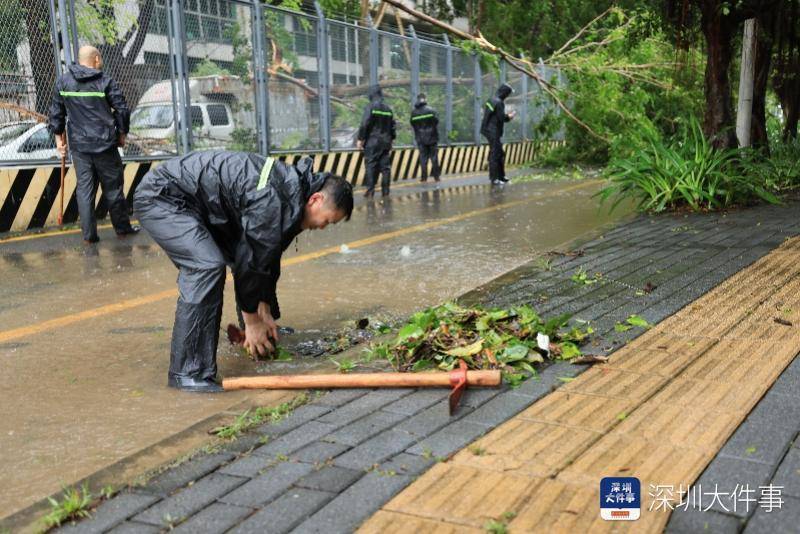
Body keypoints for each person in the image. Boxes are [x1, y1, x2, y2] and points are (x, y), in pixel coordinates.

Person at [133, 151, 353, 392]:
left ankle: (256, 333)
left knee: (247, 256)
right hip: (163, 198)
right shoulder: (273, 199)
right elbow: (251, 260)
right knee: (206, 265)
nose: (323, 227)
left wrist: (265, 309)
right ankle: (187, 372)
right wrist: (252, 319)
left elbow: (267, 254)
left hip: (202, 206)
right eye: (328, 221)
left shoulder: (292, 193)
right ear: (316, 200)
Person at [48, 45, 139, 243]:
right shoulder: (105, 81)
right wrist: (121, 134)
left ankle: (89, 236)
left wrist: (58, 141)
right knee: (113, 189)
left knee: (85, 189)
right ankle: (122, 229)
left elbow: (57, 113)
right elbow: (122, 109)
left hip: (79, 147)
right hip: (105, 145)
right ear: (96, 59)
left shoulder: (63, 82)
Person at [356, 85, 396, 198]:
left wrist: (360, 139)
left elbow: (365, 123)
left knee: (370, 165)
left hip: (372, 142)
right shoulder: (388, 109)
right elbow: (393, 126)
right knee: (385, 168)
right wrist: (392, 139)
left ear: (371, 95)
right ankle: (386, 191)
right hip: (386, 142)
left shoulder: (370, 107)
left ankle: (370, 190)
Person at [480, 83, 516, 184]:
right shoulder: (499, 102)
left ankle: (501, 176)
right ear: (504, 93)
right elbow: (501, 118)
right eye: (507, 93)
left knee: (500, 153)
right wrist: (510, 116)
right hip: (493, 131)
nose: (507, 96)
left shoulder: (491, 100)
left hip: (487, 129)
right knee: (495, 154)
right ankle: (494, 178)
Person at [410, 93, 440, 182]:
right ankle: (436, 177)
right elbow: (436, 122)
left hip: (420, 138)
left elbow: (413, 124)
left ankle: (424, 178)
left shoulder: (414, 113)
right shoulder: (431, 110)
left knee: (423, 158)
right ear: (425, 99)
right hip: (432, 137)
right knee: (434, 158)